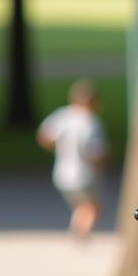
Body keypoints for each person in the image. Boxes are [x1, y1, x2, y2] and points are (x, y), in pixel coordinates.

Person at [36, 79, 109, 238]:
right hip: (85, 174)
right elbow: (95, 151)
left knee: (82, 205)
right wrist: (104, 162)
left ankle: (77, 230)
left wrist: (59, 148)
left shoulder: (63, 116)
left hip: (62, 172)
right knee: (93, 207)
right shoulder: (91, 122)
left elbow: (44, 136)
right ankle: (81, 234)